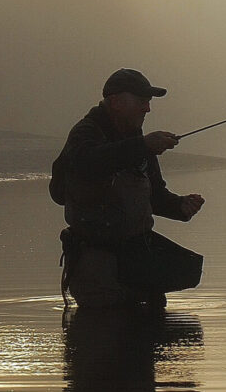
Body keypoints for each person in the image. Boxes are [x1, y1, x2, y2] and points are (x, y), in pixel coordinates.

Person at [51, 69, 205, 309]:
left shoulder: (137, 140)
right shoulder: (85, 133)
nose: (147, 109)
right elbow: (88, 164)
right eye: (142, 101)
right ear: (115, 102)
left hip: (137, 259)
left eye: (148, 102)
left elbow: (155, 196)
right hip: (97, 266)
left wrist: (180, 206)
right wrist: (142, 145)